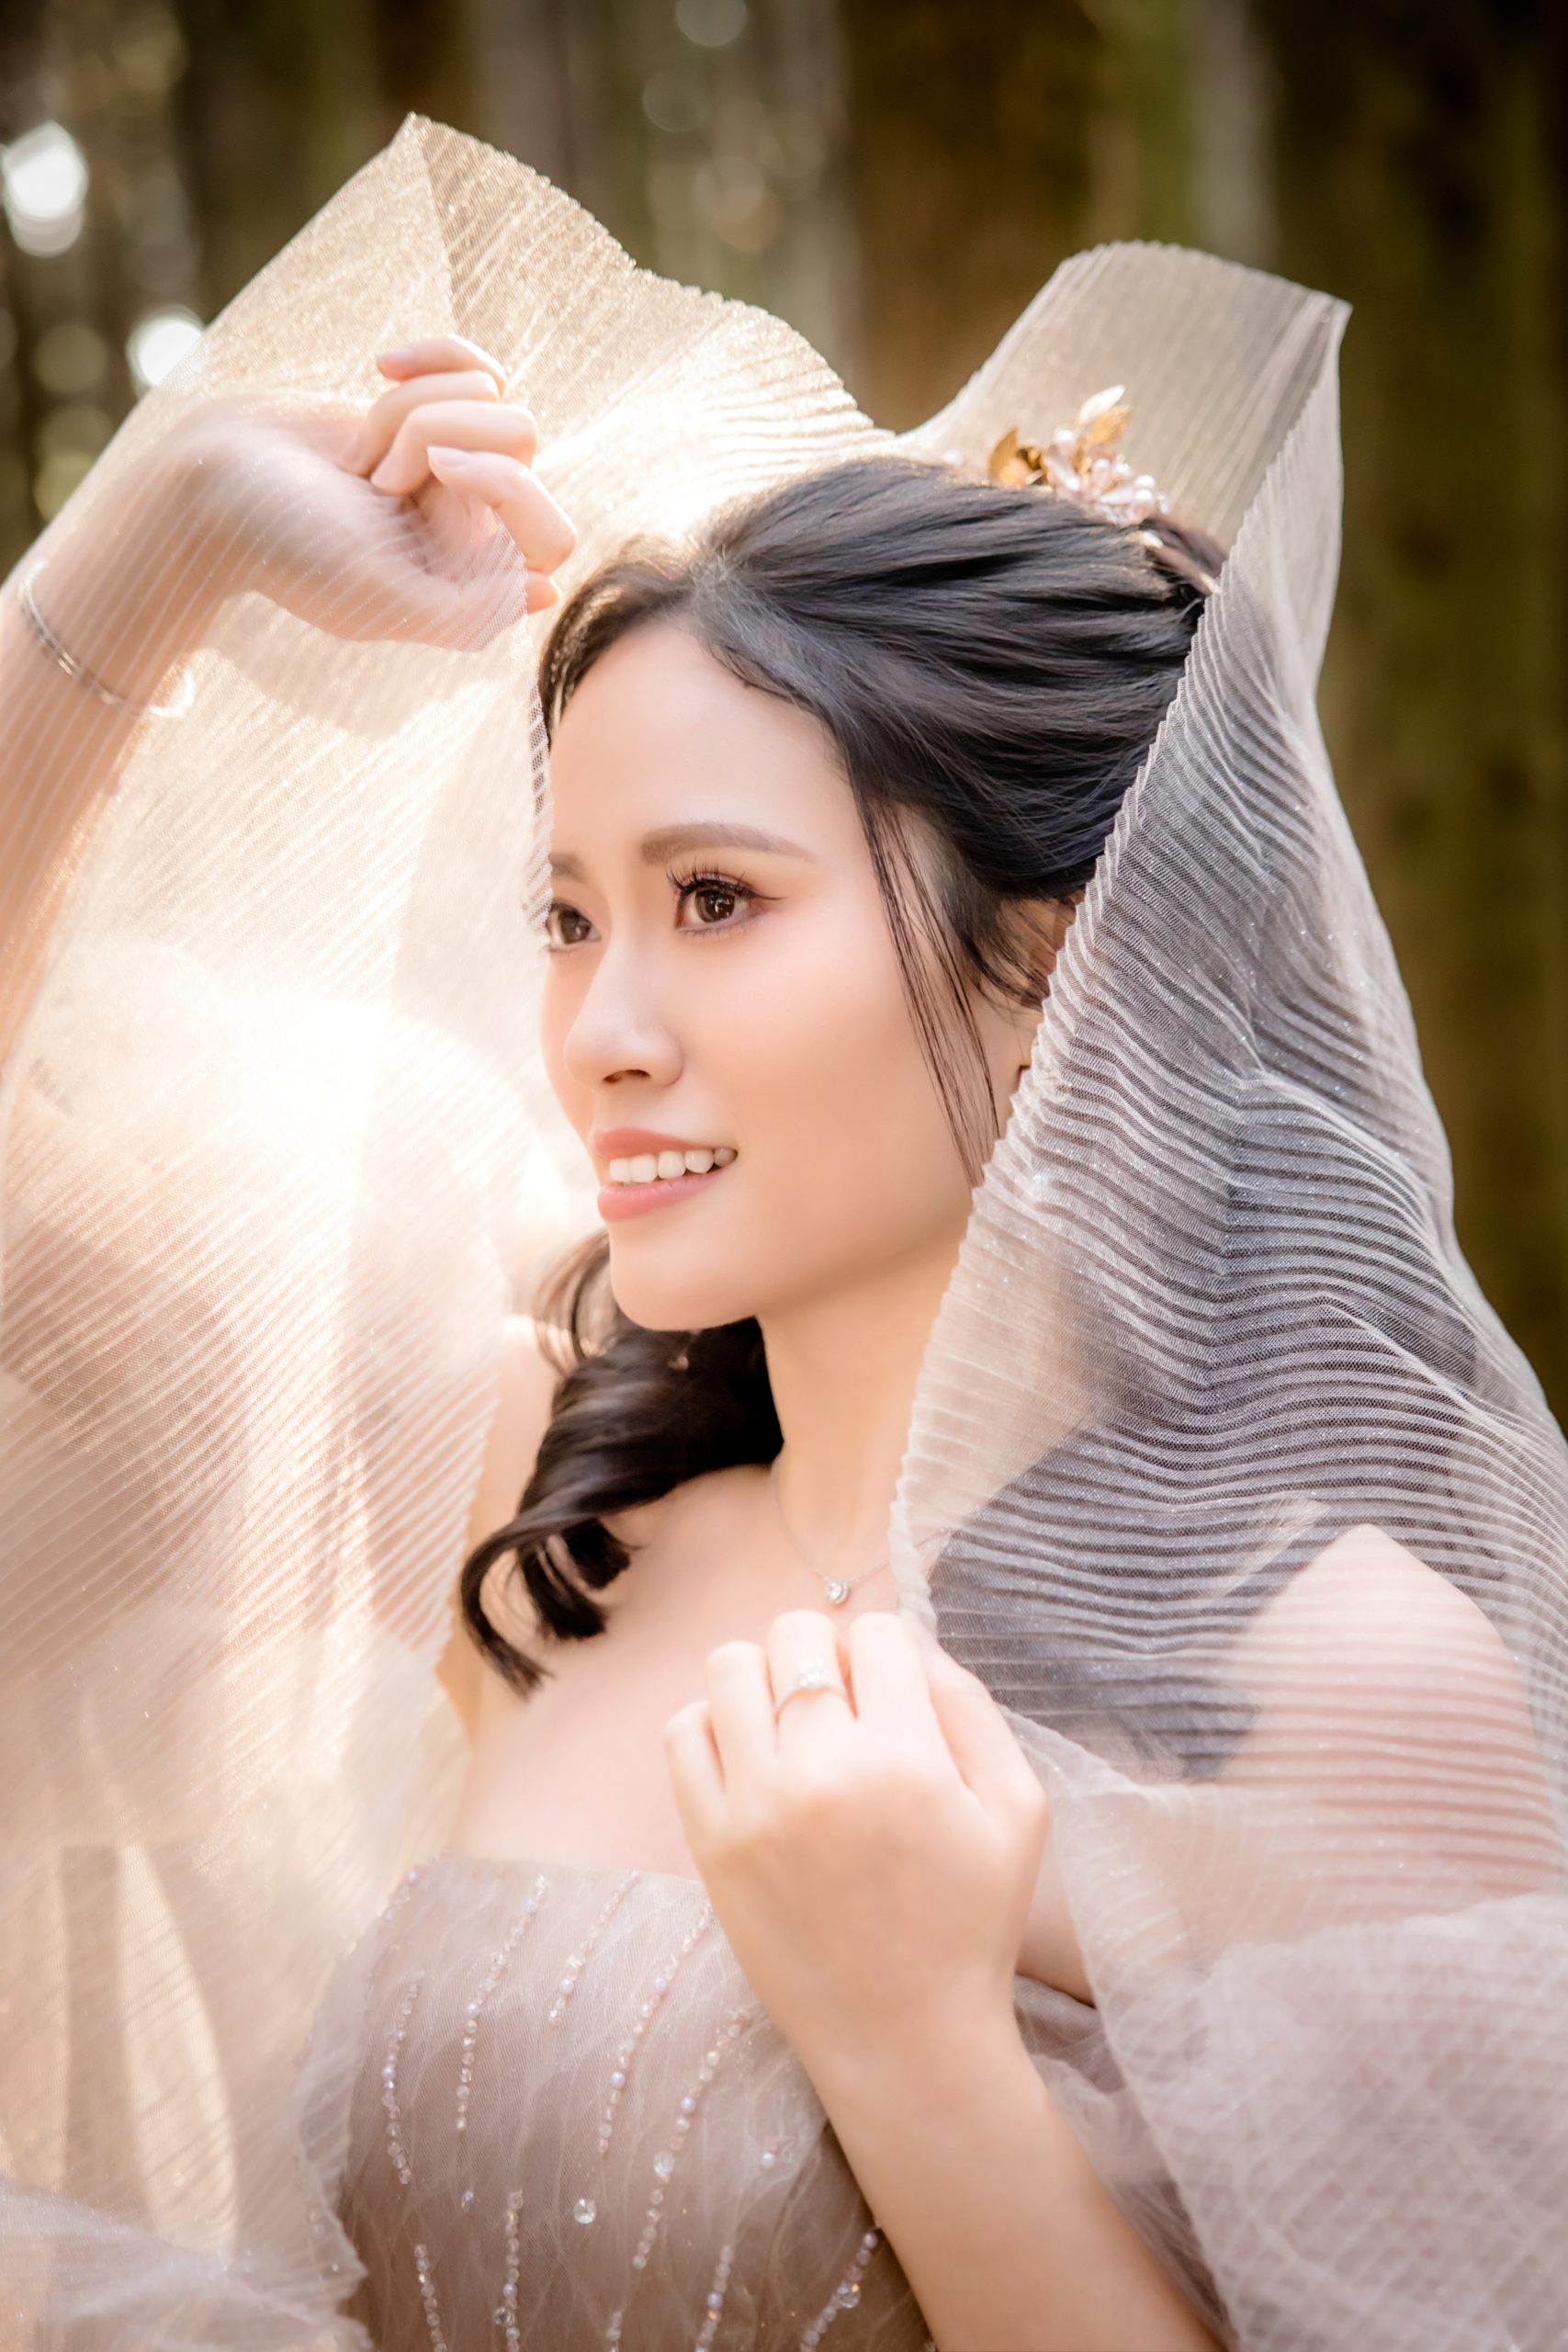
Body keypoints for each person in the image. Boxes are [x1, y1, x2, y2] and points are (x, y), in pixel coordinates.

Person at [3, 118, 1565, 2352]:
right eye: (567, 916)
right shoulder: (536, 1517)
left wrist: (912, 2035)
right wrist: (150, 541)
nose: (599, 1030)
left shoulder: (1350, 1677)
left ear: (1056, 969)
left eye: (715, 899)